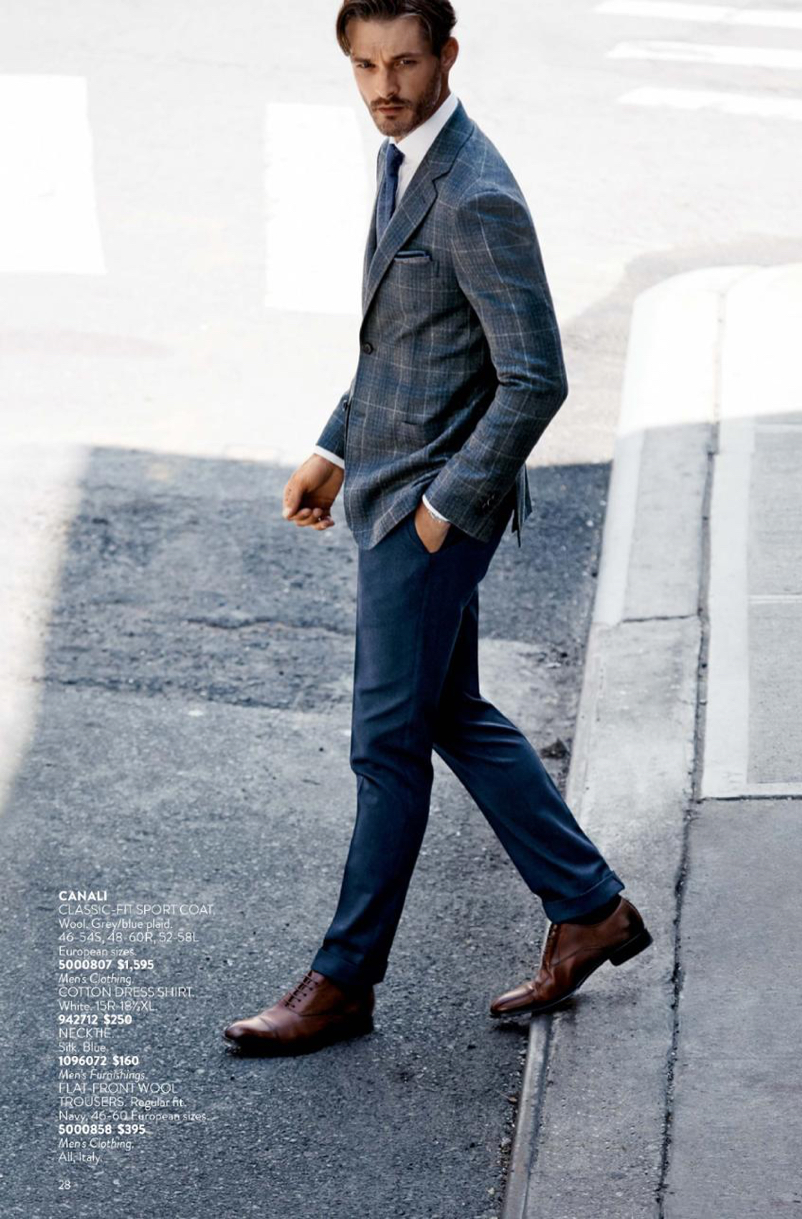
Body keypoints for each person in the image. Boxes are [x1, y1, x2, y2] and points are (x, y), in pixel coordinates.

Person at [223, 0, 652, 1055]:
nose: (386, 86)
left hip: (428, 513)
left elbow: (536, 376)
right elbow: (404, 347)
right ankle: (589, 905)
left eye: (407, 62)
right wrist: (334, 445)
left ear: (448, 55)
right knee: (449, 712)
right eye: (367, 66)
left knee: (386, 746)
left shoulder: (474, 192)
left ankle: (341, 980)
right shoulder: (405, 158)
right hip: (388, 488)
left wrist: (440, 511)